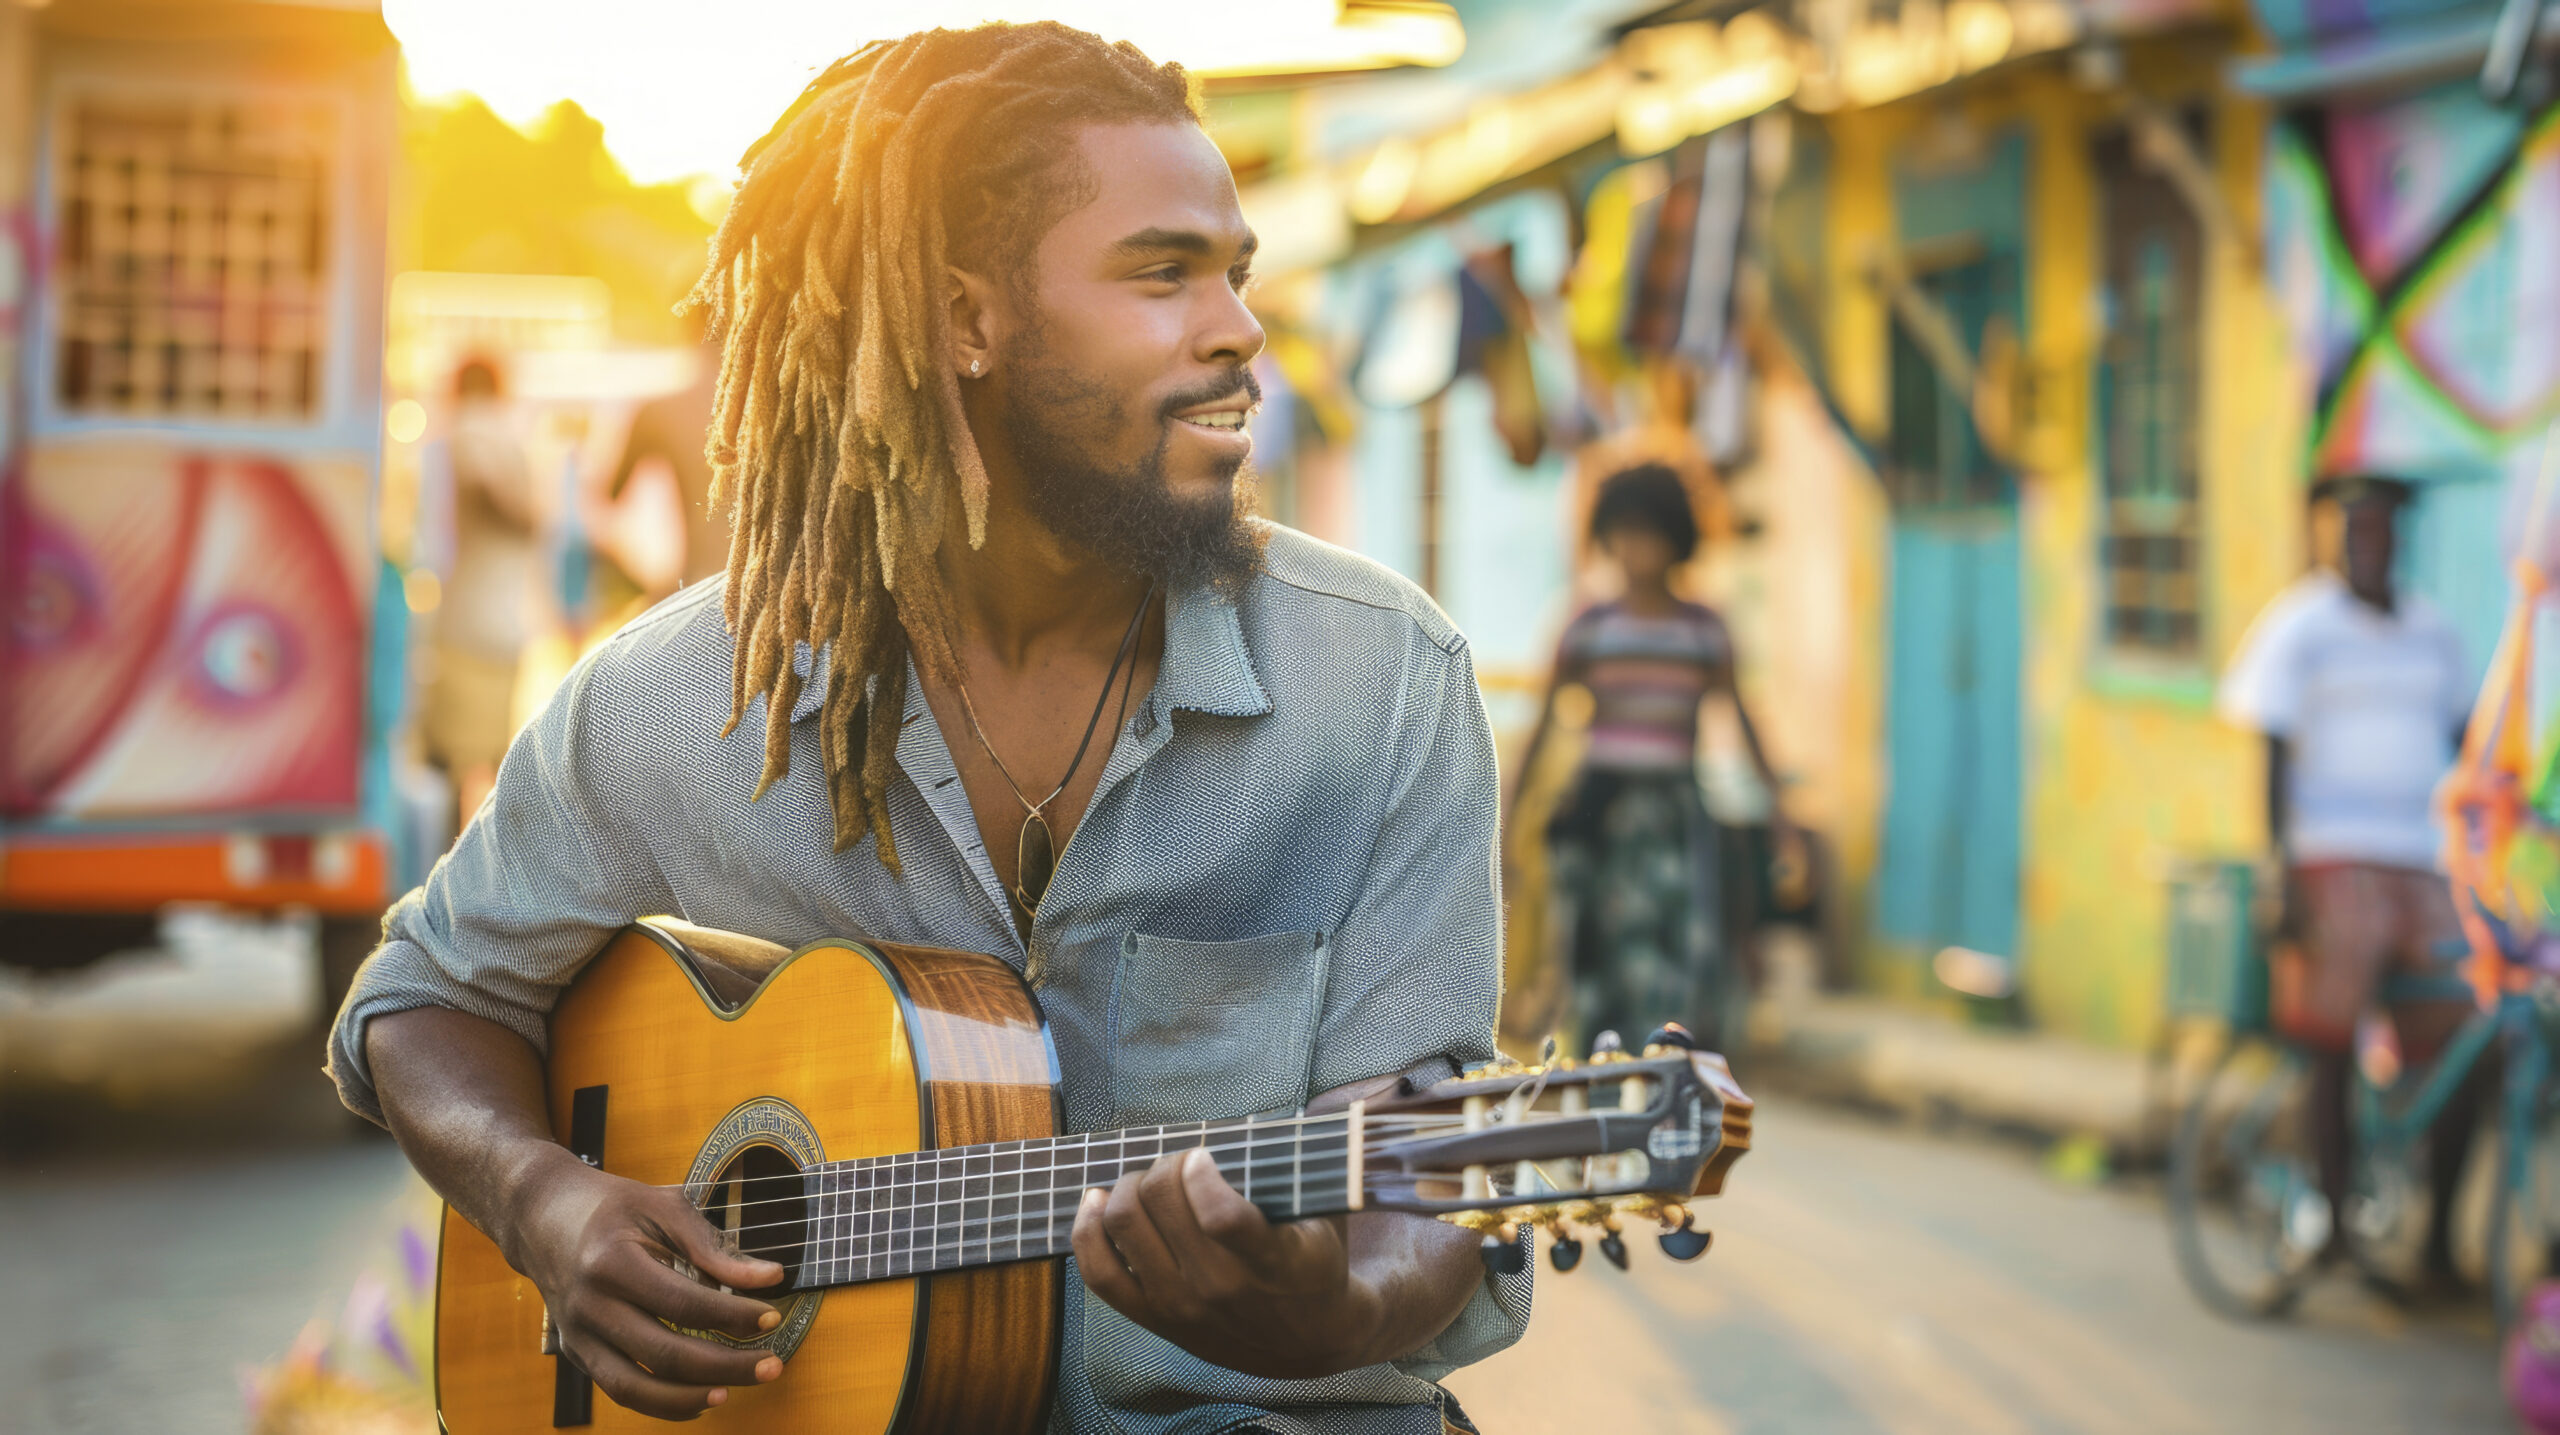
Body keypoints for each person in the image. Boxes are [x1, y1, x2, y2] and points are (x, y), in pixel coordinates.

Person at [327, 23, 1523, 1433]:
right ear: (966, 319)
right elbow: (421, 997)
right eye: (1162, 271)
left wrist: (1335, 1303)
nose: (1238, 327)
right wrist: (546, 1200)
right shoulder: (681, 698)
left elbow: (1428, 1152)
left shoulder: (1381, 680)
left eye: (1235, 272)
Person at [2219, 473, 2478, 1288]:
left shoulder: (2433, 632)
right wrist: (2280, 869)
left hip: (2421, 857)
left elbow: (2470, 741)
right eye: (2351, 530)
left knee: (2468, 1034)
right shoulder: (2299, 628)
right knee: (2329, 1035)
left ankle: (2437, 1243)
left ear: (2400, 539)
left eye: (2380, 529)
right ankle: (2331, 1221)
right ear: (2331, 539)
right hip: (2331, 854)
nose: (2367, 544)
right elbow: (2270, 752)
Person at [1507, 461, 1801, 1050]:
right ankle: (1598, 1116)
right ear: (1606, 535)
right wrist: (1510, 821)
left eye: (1651, 531)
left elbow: (1743, 722)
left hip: (1673, 821)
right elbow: (1540, 730)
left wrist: (1783, 820)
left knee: (1677, 972)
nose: (1637, 546)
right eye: (1625, 529)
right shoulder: (1587, 626)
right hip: (1598, 817)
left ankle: (1662, 1112)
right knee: (1592, 971)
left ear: (1677, 539)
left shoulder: (1704, 630)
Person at [423, 358, 539, 823]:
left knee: (447, 765)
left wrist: (513, 516)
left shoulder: (468, 430)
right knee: (495, 761)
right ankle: (495, 878)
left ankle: (447, 875)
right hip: (509, 622)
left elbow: (480, 483)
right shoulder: (515, 438)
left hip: (466, 621)